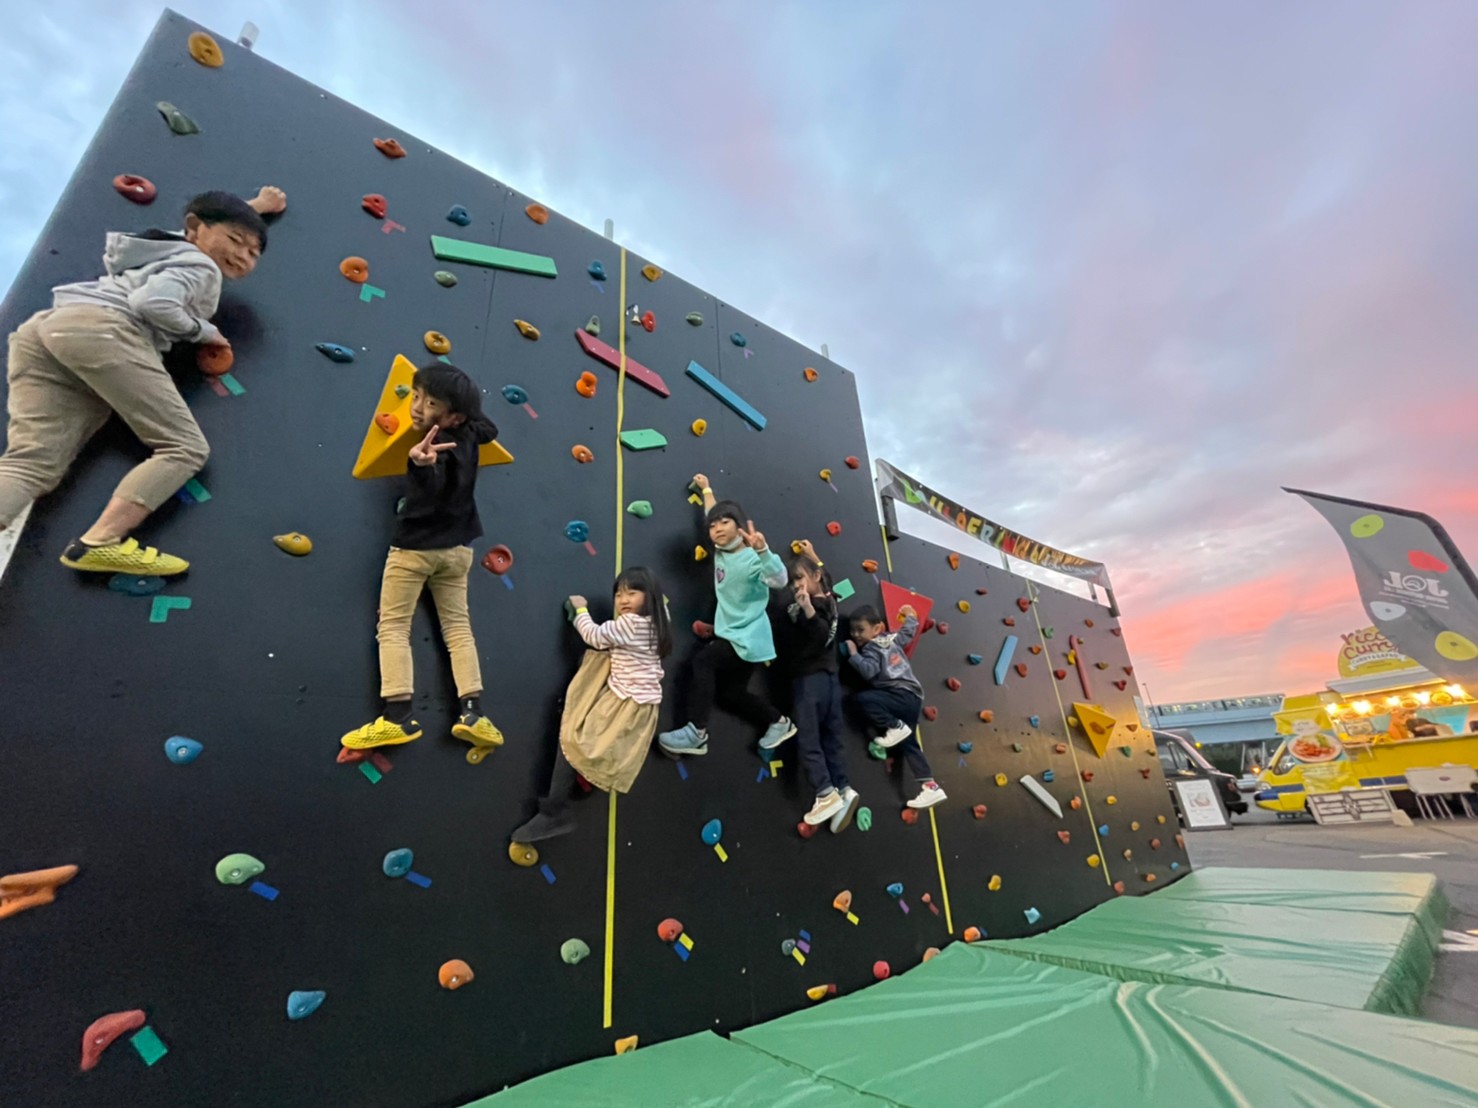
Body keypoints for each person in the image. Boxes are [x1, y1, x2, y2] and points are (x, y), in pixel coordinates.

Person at [0, 187, 287, 575]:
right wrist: (203, 331)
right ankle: (98, 543)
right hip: (107, 331)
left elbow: (206, 220)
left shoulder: (167, 251)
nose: (242, 255)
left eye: (253, 253)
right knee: (184, 447)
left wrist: (256, 209)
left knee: (31, 464)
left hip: (52, 329)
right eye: (236, 241)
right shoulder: (200, 267)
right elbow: (152, 304)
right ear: (195, 230)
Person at [340, 364, 504, 754]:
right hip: (459, 549)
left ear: (452, 416)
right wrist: (461, 412)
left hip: (415, 550)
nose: (416, 408)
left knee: (394, 627)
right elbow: (490, 429)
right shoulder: (470, 433)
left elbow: (429, 488)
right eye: (416, 396)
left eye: (431, 404)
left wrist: (420, 461)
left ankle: (397, 716)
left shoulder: (434, 452)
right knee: (458, 629)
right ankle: (473, 712)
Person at [511, 567, 672, 844]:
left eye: (632, 593)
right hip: (640, 708)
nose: (623, 600)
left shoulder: (631, 624)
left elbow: (595, 636)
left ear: (649, 597)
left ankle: (554, 811)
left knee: (572, 740)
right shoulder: (659, 622)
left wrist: (580, 610)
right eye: (619, 594)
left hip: (622, 703)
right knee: (593, 745)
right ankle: (585, 777)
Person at [658, 473, 794, 756]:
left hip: (748, 638)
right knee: (731, 694)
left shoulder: (752, 558)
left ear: (739, 526)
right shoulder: (721, 551)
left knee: (704, 661)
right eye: (713, 526)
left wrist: (764, 551)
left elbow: (780, 580)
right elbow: (713, 511)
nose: (717, 528)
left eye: (725, 522)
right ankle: (778, 721)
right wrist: (707, 489)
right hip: (735, 636)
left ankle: (697, 732)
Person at [769, 541, 860, 830]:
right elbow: (826, 578)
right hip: (831, 682)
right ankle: (843, 789)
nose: (794, 586)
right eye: (792, 580)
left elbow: (820, 634)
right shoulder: (831, 599)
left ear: (813, 579)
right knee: (832, 739)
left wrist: (805, 608)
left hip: (809, 681)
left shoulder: (804, 607)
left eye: (799, 578)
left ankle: (824, 791)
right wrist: (814, 557)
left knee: (809, 739)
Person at [844, 604, 947, 809]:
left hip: (896, 693)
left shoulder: (871, 648)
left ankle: (894, 726)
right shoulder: (891, 639)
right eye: (853, 630)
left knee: (861, 700)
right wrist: (910, 615)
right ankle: (930, 786)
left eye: (860, 630)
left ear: (876, 628)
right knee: (909, 743)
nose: (856, 634)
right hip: (913, 697)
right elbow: (908, 632)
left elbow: (869, 671)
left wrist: (854, 654)